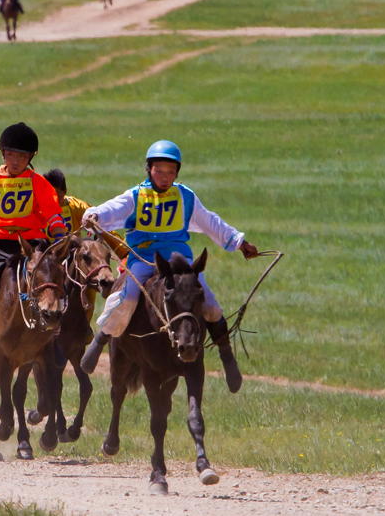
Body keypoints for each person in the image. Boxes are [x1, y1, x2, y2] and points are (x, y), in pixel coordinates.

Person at [78, 140, 259, 393]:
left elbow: (210, 222)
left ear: (177, 173)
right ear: (149, 169)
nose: (164, 177)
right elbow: (113, 208)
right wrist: (95, 214)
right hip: (143, 260)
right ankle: (100, 342)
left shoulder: (186, 196)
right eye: (159, 170)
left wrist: (239, 242)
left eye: (170, 172)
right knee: (125, 299)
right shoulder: (135, 196)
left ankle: (227, 354)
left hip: (179, 262)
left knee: (210, 304)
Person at [0, 123, 68, 356]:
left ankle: (56, 332)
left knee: (56, 281)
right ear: (3, 153)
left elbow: (52, 214)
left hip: (31, 246)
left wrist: (60, 234)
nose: (16, 160)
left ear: (30, 157)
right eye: (11, 154)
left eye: (22, 156)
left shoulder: (39, 183)